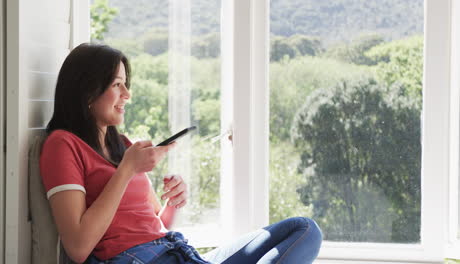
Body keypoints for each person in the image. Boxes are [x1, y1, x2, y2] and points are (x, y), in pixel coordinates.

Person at [40, 43, 322, 264]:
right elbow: (77, 248)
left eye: (126, 84)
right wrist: (126, 171)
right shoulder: (62, 144)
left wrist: (172, 203)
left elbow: (155, 224)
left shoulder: (122, 144)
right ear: (88, 91)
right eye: (117, 85)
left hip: (176, 252)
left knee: (304, 230)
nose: (127, 94)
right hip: (140, 260)